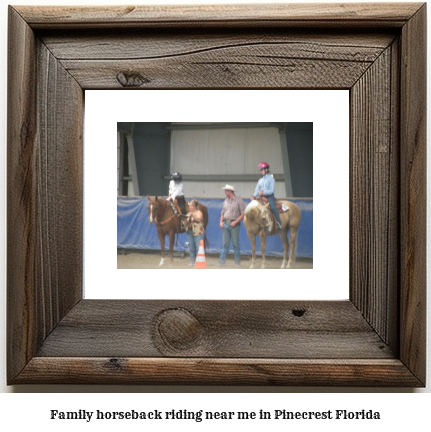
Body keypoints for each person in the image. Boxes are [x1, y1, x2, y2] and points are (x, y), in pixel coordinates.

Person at [219, 184, 246, 267]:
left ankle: (237, 263)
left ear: (230, 191)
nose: (225, 192)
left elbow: (243, 214)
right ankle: (221, 263)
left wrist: (235, 222)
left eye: (226, 191)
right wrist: (221, 222)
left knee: (235, 244)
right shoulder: (225, 201)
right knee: (225, 244)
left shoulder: (239, 201)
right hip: (226, 223)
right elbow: (223, 213)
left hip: (234, 223)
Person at [250, 162, 282, 230]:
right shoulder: (260, 180)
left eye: (262, 170)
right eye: (261, 170)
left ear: (266, 170)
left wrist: (263, 193)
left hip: (269, 197)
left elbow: (271, 190)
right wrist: (254, 196)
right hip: (261, 197)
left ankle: (279, 223)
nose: (261, 171)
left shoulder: (271, 179)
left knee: (273, 207)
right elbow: (257, 190)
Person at [185, 199, 205, 266]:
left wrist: (192, 215)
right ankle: (191, 261)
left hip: (198, 232)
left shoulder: (199, 212)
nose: (190, 207)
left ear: (195, 206)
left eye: (192, 206)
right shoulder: (188, 213)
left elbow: (199, 219)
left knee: (198, 248)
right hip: (190, 232)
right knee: (192, 247)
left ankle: (198, 262)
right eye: (190, 206)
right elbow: (186, 222)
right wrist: (184, 221)